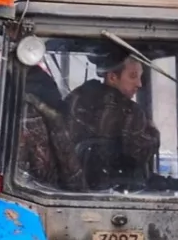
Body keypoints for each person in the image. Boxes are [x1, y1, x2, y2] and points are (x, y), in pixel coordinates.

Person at [65, 56, 160, 188]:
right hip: (119, 191)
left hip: (70, 188)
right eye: (133, 76)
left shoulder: (73, 101)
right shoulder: (130, 112)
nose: (139, 84)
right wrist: (153, 132)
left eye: (140, 77)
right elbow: (143, 152)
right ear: (112, 77)